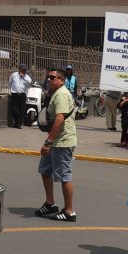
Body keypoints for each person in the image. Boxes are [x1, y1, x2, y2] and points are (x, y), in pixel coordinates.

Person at [35, 68, 78, 221]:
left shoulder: (61, 94)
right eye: (47, 77)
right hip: (56, 140)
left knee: (64, 176)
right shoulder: (55, 93)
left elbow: (60, 119)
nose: (49, 80)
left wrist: (48, 142)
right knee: (45, 170)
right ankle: (50, 203)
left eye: (52, 78)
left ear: (61, 80)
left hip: (62, 141)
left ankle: (69, 211)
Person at [7, 64, 32, 129]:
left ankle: (19, 124)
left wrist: (23, 77)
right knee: (14, 109)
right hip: (15, 94)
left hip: (22, 95)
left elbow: (29, 84)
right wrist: (10, 90)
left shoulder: (27, 77)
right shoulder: (14, 75)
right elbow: (10, 82)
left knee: (22, 110)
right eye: (23, 70)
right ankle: (16, 122)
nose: (24, 71)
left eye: (25, 70)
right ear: (19, 69)